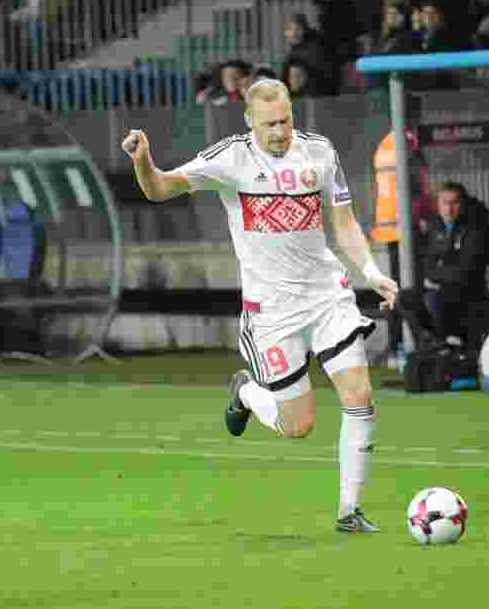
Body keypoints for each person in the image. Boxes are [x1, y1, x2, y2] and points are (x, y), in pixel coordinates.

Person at [121, 78, 398, 533]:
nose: (279, 132)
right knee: (298, 425)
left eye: (286, 120)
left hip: (327, 297)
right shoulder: (230, 157)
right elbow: (159, 189)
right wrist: (143, 161)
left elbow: (344, 222)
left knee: (360, 396)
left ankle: (350, 511)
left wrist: (370, 271)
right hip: (272, 313)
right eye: (269, 124)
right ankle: (247, 392)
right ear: (250, 122)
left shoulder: (319, 152)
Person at [397, 182, 489, 353]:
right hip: (441, 289)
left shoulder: (474, 228)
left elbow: (466, 271)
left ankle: (447, 345)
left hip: (469, 293)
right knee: (404, 297)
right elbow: (427, 266)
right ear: (438, 205)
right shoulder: (436, 227)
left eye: (454, 202)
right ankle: (428, 343)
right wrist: (437, 275)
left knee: (436, 298)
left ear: (463, 204)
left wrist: (437, 277)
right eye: (444, 203)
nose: (449, 208)